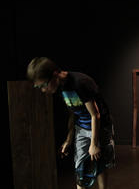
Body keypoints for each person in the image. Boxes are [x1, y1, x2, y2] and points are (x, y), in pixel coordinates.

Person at [27, 57, 116, 189]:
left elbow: (95, 114)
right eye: (39, 87)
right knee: (80, 169)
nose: (43, 90)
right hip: (82, 126)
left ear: (55, 75)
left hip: (101, 125)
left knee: (100, 162)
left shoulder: (80, 83)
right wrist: (68, 140)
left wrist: (93, 144)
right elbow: (73, 112)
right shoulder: (61, 88)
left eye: (43, 85)